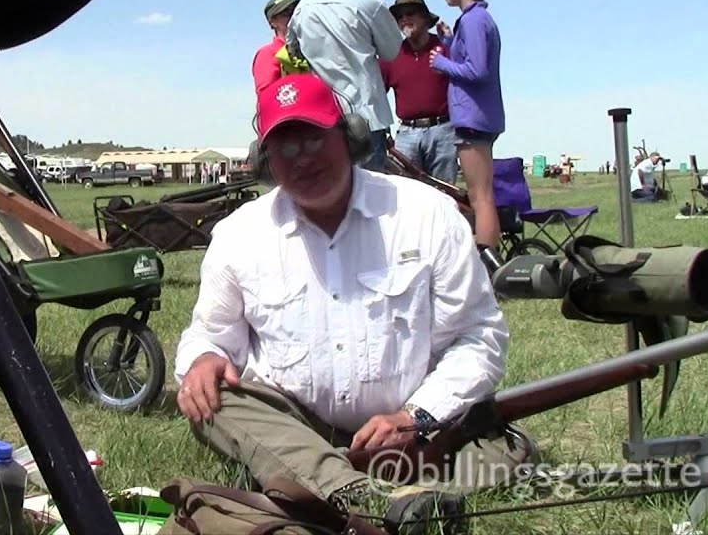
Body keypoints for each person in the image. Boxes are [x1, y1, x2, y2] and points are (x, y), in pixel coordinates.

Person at [173, 72, 533, 517]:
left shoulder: (427, 213)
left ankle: (331, 489)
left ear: (348, 137)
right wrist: (203, 358)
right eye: (286, 146)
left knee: (496, 439)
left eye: (314, 138)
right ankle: (363, 497)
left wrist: (417, 417)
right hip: (298, 428)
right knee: (213, 399)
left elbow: (480, 337)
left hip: (419, 425)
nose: (303, 159)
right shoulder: (238, 235)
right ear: (265, 160)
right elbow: (209, 337)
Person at [285, 0, 403, 172]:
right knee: (371, 201)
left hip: (322, 116)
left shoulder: (304, 6)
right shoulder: (370, 2)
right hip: (366, 115)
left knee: (329, 197)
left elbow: (291, 50)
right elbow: (392, 51)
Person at [431, 0, 505, 252]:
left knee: (480, 196)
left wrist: (442, 63)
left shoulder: (474, 21)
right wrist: (450, 42)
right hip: (479, 116)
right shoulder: (475, 20)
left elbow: (477, 71)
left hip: (473, 117)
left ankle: (487, 264)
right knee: (481, 193)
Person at [380, 0, 457, 184]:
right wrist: (384, 132)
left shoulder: (444, 47)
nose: (404, 19)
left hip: (444, 130)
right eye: (399, 17)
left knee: (445, 193)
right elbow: (377, 94)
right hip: (407, 132)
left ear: (425, 18)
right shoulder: (390, 54)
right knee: (408, 194)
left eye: (410, 14)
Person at [252, 0, 307, 92]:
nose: (292, 16)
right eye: (286, 13)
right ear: (272, 22)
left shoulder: (308, 48)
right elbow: (266, 97)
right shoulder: (268, 53)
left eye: (295, 11)